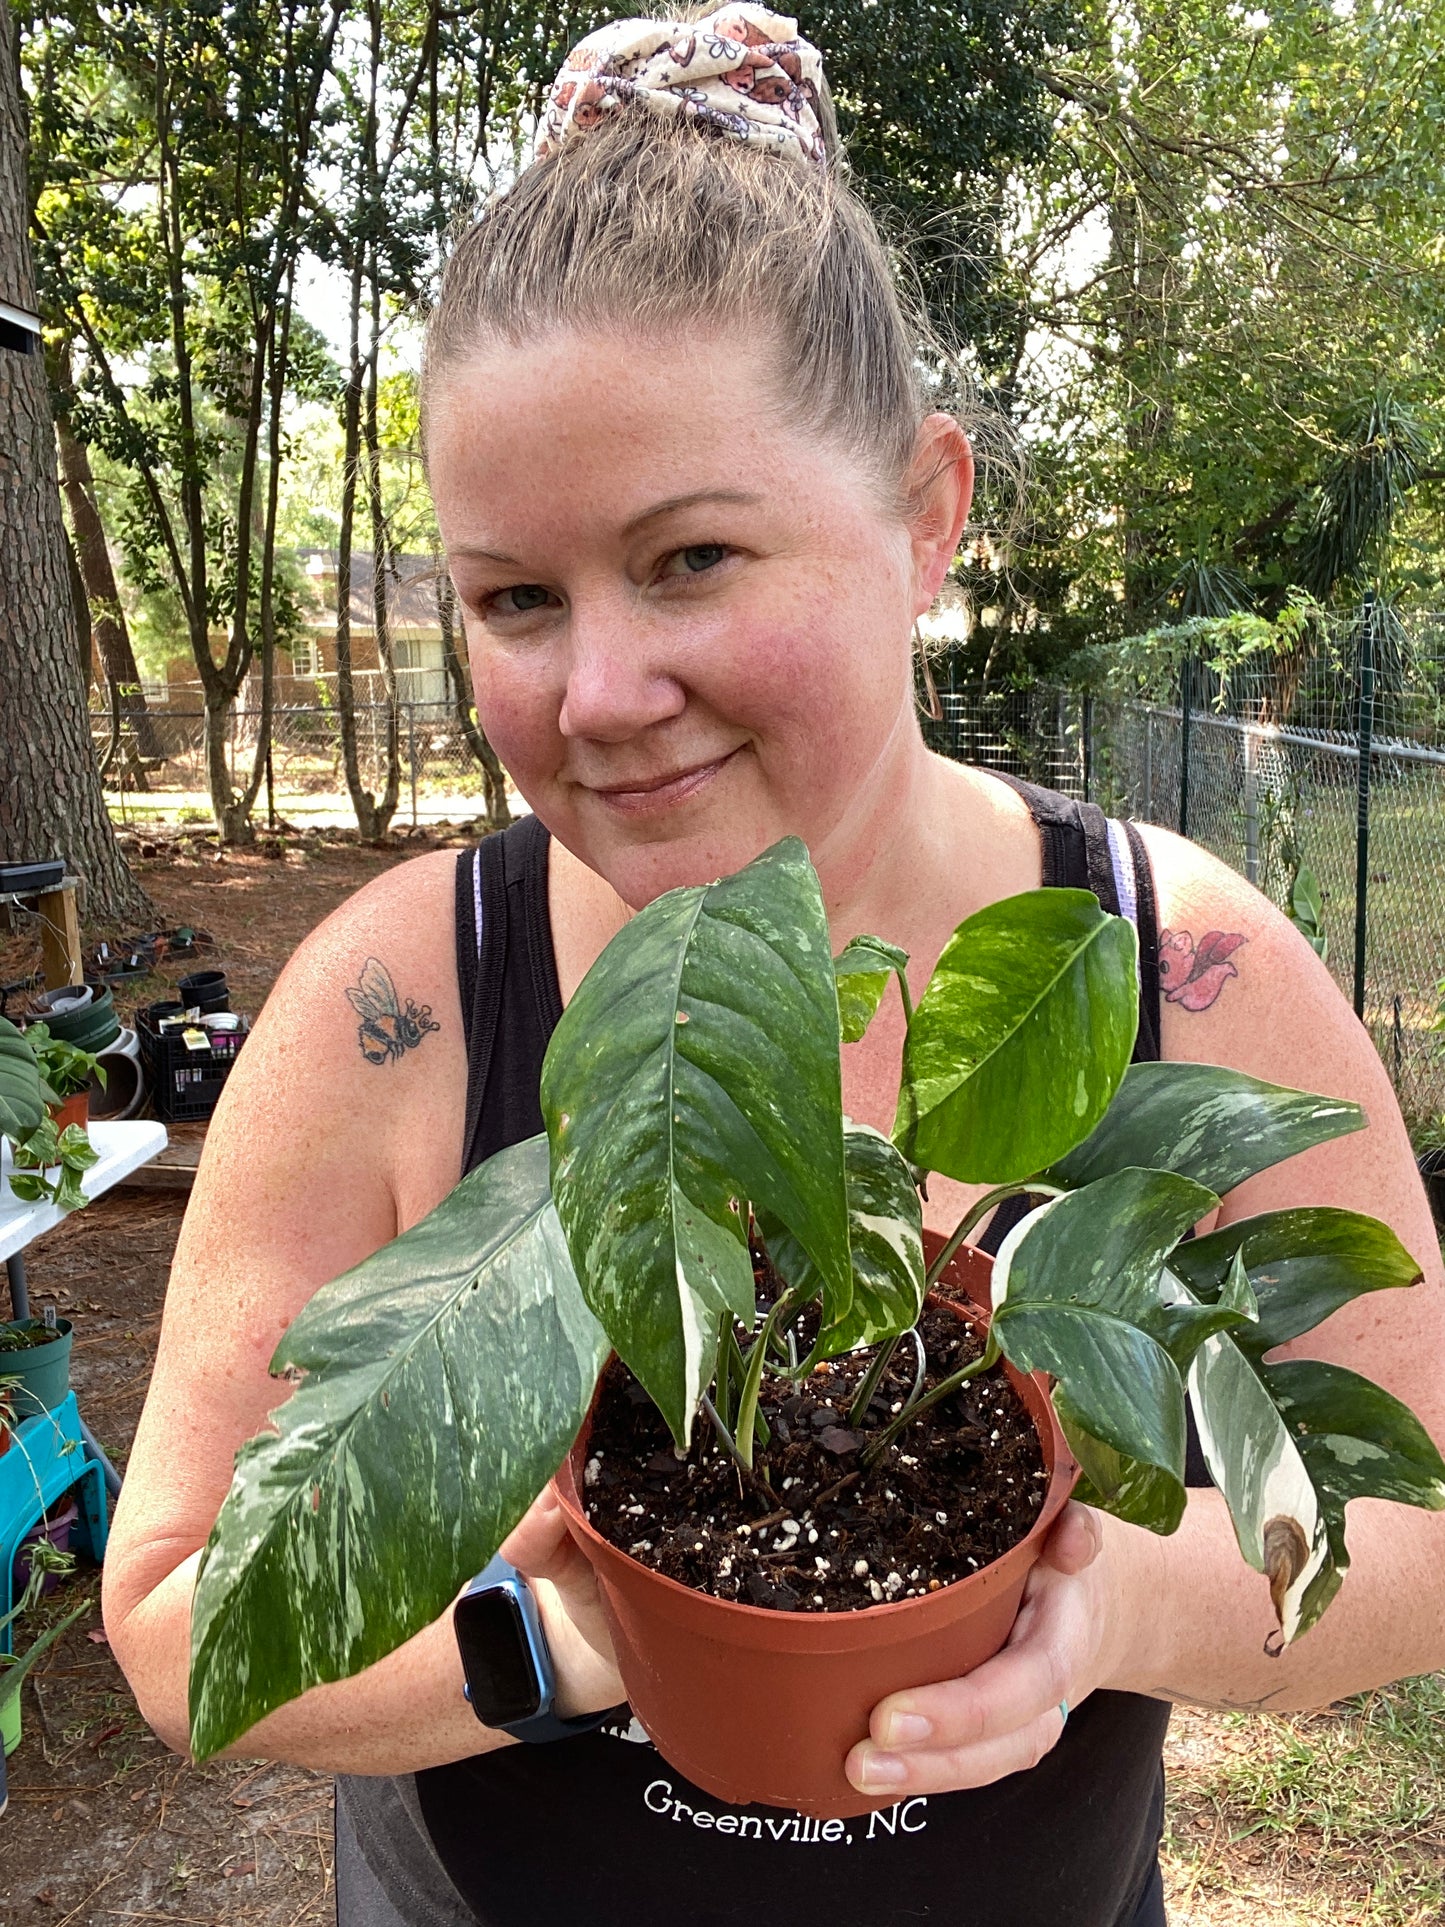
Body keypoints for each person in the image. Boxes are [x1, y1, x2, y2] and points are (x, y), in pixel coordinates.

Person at [103, 10, 1445, 1925]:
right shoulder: (398, 1000)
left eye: (693, 559)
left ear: (925, 520)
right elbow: (183, 1627)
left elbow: (1409, 1539)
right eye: (514, 599)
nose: (599, 694)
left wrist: (1096, 1609)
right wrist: (566, 1641)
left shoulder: (1172, 960)